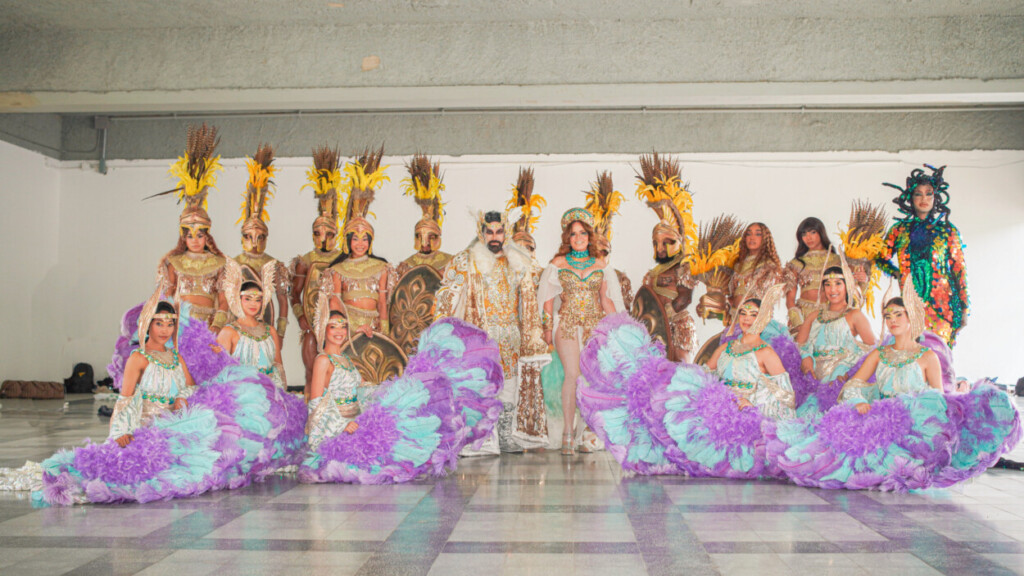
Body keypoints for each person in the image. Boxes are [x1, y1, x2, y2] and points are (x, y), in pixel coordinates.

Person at [434, 209, 542, 455]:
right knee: (481, 387)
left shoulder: (520, 260)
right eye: (489, 232)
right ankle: (480, 439)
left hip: (511, 336)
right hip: (480, 338)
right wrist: (443, 330)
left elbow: (532, 298)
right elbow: (448, 295)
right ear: (480, 233)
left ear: (507, 232)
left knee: (510, 387)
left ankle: (505, 437)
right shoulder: (466, 260)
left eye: (499, 231)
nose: (495, 237)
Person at [538, 208, 621, 455]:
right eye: (573, 234)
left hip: (593, 327)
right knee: (572, 374)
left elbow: (605, 299)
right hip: (567, 324)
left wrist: (619, 326)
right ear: (568, 238)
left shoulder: (600, 264)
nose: (578, 238)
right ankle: (566, 432)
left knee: (590, 378)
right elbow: (547, 301)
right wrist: (545, 328)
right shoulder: (558, 264)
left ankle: (585, 432)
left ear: (589, 235)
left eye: (582, 233)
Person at [876, 164, 969, 347]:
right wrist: (897, 273)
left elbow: (959, 269)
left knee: (939, 357)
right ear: (911, 198)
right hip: (910, 305)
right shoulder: (900, 230)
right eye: (918, 193)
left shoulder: (947, 231)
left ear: (936, 198)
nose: (924, 198)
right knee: (913, 357)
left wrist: (964, 308)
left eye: (929, 193)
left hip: (943, 306)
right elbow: (881, 257)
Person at [154, 123, 228, 330]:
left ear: (207, 236)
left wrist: (216, 327)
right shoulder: (174, 262)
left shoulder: (219, 263)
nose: (195, 240)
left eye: (199, 235)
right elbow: (165, 297)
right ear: (183, 237)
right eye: (190, 235)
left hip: (209, 326)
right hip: (180, 325)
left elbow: (223, 300)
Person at [324, 146, 397, 336]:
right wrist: (349, 328)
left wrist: (385, 330)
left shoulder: (382, 267)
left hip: (374, 326)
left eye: (365, 239)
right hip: (348, 327)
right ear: (348, 241)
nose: (360, 243)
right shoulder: (337, 270)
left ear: (370, 242)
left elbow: (382, 301)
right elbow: (335, 303)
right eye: (355, 238)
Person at [291, 146, 344, 392]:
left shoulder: (344, 259)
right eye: (318, 233)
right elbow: (294, 294)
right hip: (313, 324)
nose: (323, 238)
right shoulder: (305, 259)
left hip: (338, 324)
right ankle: (311, 402)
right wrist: (302, 317)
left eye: (329, 234)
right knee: (312, 363)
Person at [109, 299, 196, 446]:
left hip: (175, 427)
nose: (165, 330)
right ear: (148, 324)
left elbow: (192, 387)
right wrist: (120, 431)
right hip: (146, 430)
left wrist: (182, 397)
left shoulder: (177, 358)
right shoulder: (138, 358)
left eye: (170, 325)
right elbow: (125, 399)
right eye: (159, 324)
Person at [706, 284, 796, 421]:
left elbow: (786, 396)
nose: (746, 319)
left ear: (763, 319)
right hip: (719, 412)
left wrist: (753, 406)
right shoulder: (726, 348)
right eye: (743, 313)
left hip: (747, 419)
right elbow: (703, 375)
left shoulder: (766, 353)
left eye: (753, 315)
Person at [232, 144, 290, 338]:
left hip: (266, 324)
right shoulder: (233, 264)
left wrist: (280, 333)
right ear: (242, 237)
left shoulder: (275, 265)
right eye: (249, 236)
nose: (255, 241)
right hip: (237, 326)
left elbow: (282, 300)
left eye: (260, 237)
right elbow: (223, 300)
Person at [795, 263, 876, 383]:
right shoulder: (814, 316)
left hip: (840, 379)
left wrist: (847, 369)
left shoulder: (855, 315)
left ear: (847, 286)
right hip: (813, 379)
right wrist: (805, 357)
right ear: (823, 288)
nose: (833, 290)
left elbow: (873, 350)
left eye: (838, 283)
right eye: (827, 285)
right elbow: (798, 345)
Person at [217, 261, 287, 390]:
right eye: (248, 299)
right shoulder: (228, 332)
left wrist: (281, 395)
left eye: (257, 300)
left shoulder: (270, 331)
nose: (253, 304)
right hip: (240, 396)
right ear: (238, 300)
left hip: (270, 394)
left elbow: (278, 367)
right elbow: (220, 373)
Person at [396, 154, 453, 276]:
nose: (425, 244)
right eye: (420, 237)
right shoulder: (407, 265)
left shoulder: (450, 262)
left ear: (437, 236)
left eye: (431, 237)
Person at [784, 217, 840, 330]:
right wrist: (797, 322)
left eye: (812, 232)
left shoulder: (837, 260)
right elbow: (790, 299)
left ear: (821, 232)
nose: (808, 238)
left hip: (832, 314)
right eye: (804, 234)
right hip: (805, 315)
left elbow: (848, 291)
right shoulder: (796, 263)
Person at [728, 222, 784, 311]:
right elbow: (732, 295)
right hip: (735, 318)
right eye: (748, 234)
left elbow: (768, 300)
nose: (752, 237)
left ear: (765, 239)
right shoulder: (738, 265)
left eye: (758, 234)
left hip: (755, 318)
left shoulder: (769, 267)